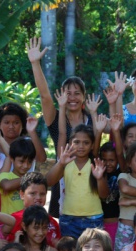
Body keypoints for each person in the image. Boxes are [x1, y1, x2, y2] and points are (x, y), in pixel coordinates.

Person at [27, 37, 93, 218]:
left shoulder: (93, 119)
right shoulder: (56, 118)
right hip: (62, 183)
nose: (72, 97)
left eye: (77, 93)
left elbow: (116, 129)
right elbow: (45, 96)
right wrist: (35, 63)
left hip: (89, 183)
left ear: (84, 97)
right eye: (67, 93)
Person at [45, 125, 108, 237]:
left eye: (86, 143)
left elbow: (104, 195)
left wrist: (99, 178)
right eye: (77, 142)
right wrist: (60, 163)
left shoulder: (96, 164)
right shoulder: (66, 163)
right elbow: (48, 182)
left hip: (93, 219)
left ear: (92, 145)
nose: (81, 146)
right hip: (69, 219)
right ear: (70, 143)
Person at [7, 172, 61, 247]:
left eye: (42, 194)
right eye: (32, 193)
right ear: (22, 194)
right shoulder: (12, 221)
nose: (38, 197)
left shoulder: (53, 223)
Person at [0, 137, 37, 215]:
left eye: (29, 162)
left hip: (26, 222)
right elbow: (6, 186)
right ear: (12, 159)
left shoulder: (32, 179)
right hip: (9, 224)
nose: (25, 165)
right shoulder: (5, 176)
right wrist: (28, 178)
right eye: (21, 161)